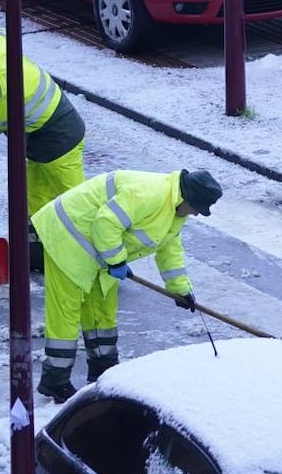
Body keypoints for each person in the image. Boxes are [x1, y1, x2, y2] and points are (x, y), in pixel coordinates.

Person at [31, 168, 223, 402]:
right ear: (187, 198)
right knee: (67, 310)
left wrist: (180, 289)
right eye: (196, 209)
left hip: (98, 251)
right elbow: (106, 222)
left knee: (102, 308)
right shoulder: (151, 194)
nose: (195, 215)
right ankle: (55, 380)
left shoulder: (175, 211)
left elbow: (169, 249)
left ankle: (104, 369)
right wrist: (116, 260)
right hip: (69, 234)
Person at [0, 29, 86, 273]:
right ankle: (36, 252)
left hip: (60, 138)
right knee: (36, 199)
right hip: (36, 139)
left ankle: (97, 256)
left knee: (75, 201)